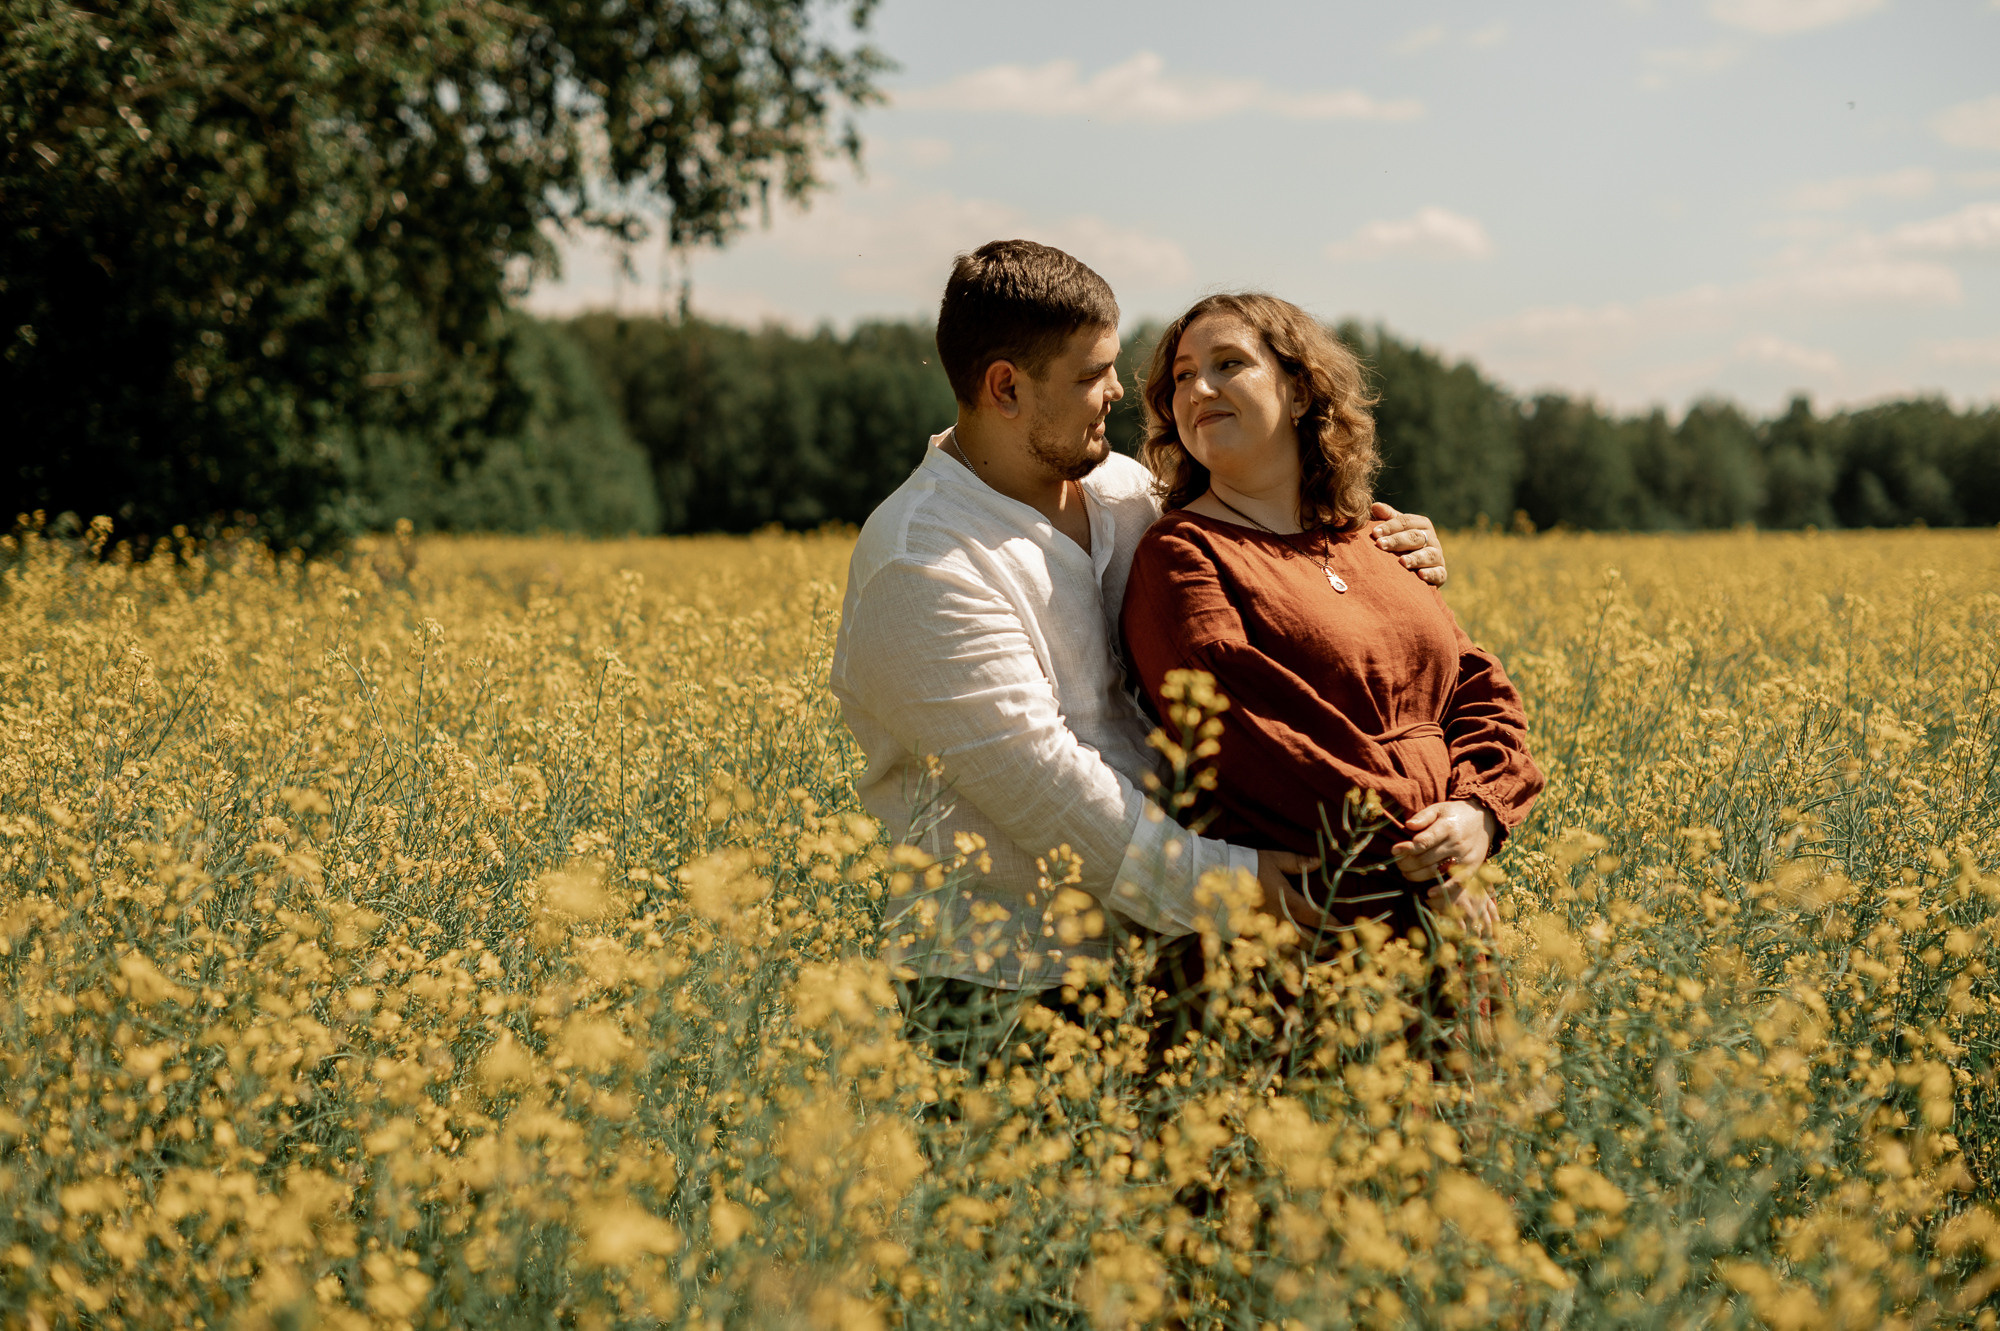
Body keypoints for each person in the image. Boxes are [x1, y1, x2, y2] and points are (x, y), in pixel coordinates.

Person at [829, 242, 1450, 1069]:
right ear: (1006, 387)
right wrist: (1272, 889)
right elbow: (1057, 795)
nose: (1123, 392)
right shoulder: (923, 562)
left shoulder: (1129, 493)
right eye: (1093, 374)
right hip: (1011, 988)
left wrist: (1388, 556)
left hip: (1175, 964)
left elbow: (1280, 555)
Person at [1119, 292, 1543, 1034]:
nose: (1198, 390)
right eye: (1181, 377)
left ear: (1300, 387)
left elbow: (1476, 689)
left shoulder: (1380, 534)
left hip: (1439, 905)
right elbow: (1251, 730)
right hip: (1310, 926)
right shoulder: (1182, 554)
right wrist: (1422, 851)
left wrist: (1479, 812)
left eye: (1228, 365)